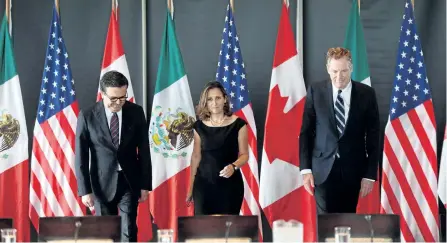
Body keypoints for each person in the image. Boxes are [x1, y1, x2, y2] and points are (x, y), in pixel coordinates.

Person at [299, 47, 380, 214]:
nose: (339, 76)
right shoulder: (316, 91)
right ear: (328, 69)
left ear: (351, 68)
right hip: (322, 170)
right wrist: (305, 169)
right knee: (325, 223)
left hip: (353, 169)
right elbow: (306, 132)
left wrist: (370, 174)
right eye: (334, 71)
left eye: (344, 71)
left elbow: (374, 137)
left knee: (347, 221)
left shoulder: (367, 94)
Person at [75, 71, 151, 241]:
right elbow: (81, 157)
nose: (118, 103)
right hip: (101, 183)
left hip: (129, 181)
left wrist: (145, 184)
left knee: (128, 231)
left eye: (123, 98)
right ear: (102, 94)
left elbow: (145, 151)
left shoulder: (136, 112)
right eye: (113, 99)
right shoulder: (87, 116)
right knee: (105, 233)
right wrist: (84, 190)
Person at [186, 81, 248, 215]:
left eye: (218, 98)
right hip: (203, 185)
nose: (214, 103)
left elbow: (244, 155)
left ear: (225, 99)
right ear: (205, 102)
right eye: (210, 99)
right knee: (203, 231)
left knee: (228, 232)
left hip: (230, 186)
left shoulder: (239, 124)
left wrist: (233, 166)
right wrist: (190, 187)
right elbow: (196, 156)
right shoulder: (199, 126)